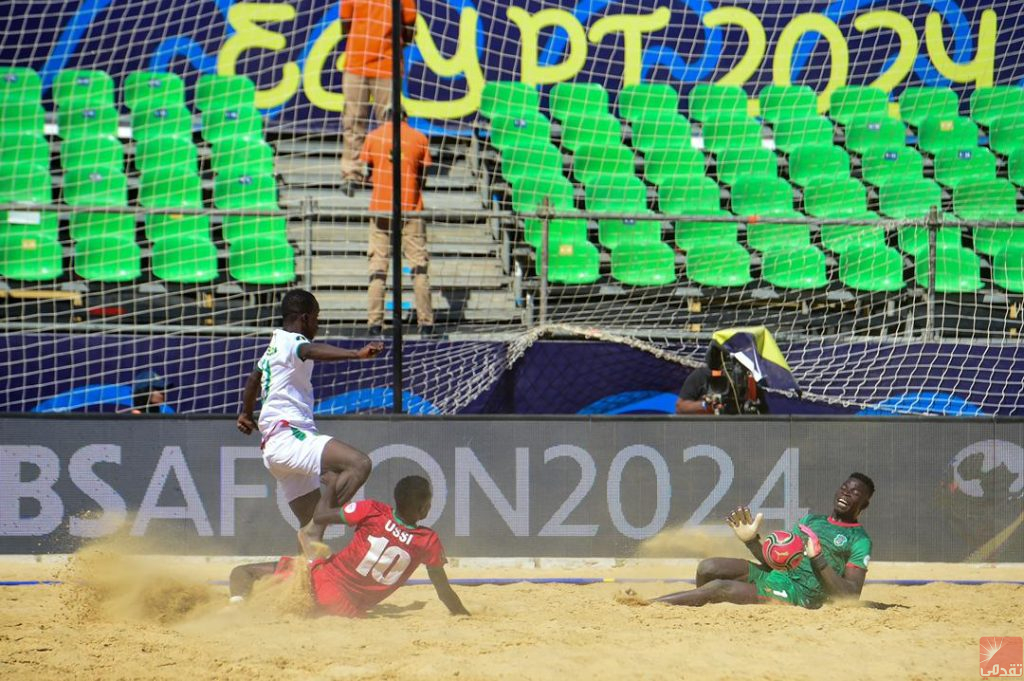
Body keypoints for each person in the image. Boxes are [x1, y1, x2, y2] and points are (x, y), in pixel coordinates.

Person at [236, 289, 384, 556]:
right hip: (290, 436)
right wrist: (355, 354)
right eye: (317, 318)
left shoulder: (273, 346)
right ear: (305, 318)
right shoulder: (294, 342)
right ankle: (315, 528)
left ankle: (297, 587)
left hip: (275, 450)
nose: (318, 324)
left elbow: (252, 380)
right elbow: (310, 349)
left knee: (311, 534)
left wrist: (246, 414)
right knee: (359, 464)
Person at [229, 475, 470, 618]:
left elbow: (321, 514)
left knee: (242, 573)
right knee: (299, 604)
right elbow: (443, 591)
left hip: (320, 579)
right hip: (347, 610)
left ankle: (237, 609)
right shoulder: (428, 541)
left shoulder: (373, 510)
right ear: (424, 509)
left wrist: (333, 484)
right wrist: (463, 614)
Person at [652, 473, 875, 608]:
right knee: (708, 567)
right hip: (776, 575)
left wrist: (818, 560)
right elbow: (779, 561)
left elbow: (851, 595)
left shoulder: (859, 539)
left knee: (720, 588)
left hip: (799, 594)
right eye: (844, 488)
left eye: (855, 493)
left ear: (864, 505)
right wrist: (751, 541)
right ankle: (703, 606)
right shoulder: (811, 520)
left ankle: (652, 605)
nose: (846, 494)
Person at [361, 108, 434, 336]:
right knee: (419, 268)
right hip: (411, 209)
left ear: (385, 117)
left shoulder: (373, 136)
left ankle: (375, 323)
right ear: (406, 118)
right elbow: (424, 176)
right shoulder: (419, 138)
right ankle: (426, 323)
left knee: (378, 268)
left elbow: (366, 172)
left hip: (381, 210)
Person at [339, 0, 417, 196]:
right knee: (354, 121)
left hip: (387, 65)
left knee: (391, 124)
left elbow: (409, 20)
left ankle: (388, 172)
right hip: (357, 63)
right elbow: (346, 17)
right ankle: (352, 173)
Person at [676, 345, 768, 415]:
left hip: (740, 431)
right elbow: (680, 407)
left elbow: (764, 413)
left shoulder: (750, 379)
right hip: (707, 431)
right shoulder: (703, 375)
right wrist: (705, 404)